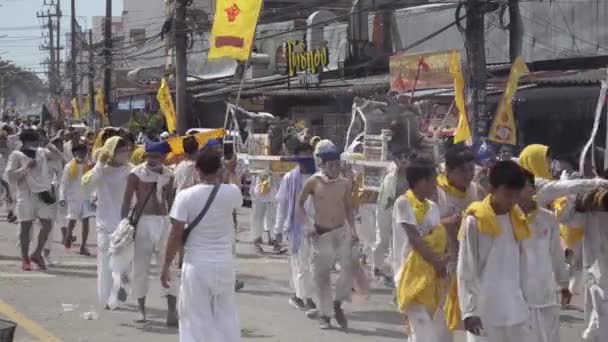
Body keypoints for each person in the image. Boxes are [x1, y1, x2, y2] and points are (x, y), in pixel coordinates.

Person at [161, 147, 243, 342]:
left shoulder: (186, 196)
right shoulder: (232, 192)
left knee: (194, 320)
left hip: (197, 266)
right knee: (226, 317)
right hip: (224, 264)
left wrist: (165, 266)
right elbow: (235, 194)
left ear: (197, 169)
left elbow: (176, 234)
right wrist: (228, 172)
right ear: (219, 169)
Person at [457, 160, 534, 342]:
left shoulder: (517, 218)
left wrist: (526, 300)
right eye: (507, 194)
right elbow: (466, 268)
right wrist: (469, 311)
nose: (512, 201)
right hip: (484, 311)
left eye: (516, 195)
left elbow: (522, 265)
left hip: (515, 309)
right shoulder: (475, 221)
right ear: (492, 189)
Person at [297, 139, 357, 329]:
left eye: (337, 164)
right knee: (321, 276)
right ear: (322, 165)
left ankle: (337, 303)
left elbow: (348, 207)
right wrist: (307, 225)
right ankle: (325, 315)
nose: (335, 168)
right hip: (321, 233)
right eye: (331, 165)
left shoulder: (345, 183)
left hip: (341, 231)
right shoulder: (313, 181)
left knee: (348, 270)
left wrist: (354, 230)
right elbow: (299, 205)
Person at [394, 157, 451, 342]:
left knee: (423, 329)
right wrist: (438, 262)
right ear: (420, 181)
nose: (436, 184)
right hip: (409, 273)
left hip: (431, 276)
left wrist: (443, 261)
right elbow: (415, 239)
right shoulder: (403, 203)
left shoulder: (433, 208)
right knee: (423, 331)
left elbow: (436, 238)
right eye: (433, 179)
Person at [121, 140, 178, 325]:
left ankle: (171, 311)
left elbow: (171, 202)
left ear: (163, 157)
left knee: (168, 265)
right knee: (140, 267)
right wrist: (123, 224)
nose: (152, 160)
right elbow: (126, 200)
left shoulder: (169, 174)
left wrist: (176, 226)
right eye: (150, 156)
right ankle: (141, 310)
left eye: (156, 156)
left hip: (163, 222)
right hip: (143, 222)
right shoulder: (136, 174)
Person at [518, 168, 570, 342]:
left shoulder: (547, 218)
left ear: (532, 189)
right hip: (517, 297)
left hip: (544, 294)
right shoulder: (505, 219)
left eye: (521, 186)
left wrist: (563, 284)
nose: (517, 191)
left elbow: (557, 253)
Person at [82, 136, 132, 309]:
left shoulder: (130, 170)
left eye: (126, 149)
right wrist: (99, 165)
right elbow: (86, 185)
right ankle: (106, 298)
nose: (125, 153)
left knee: (122, 262)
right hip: (104, 223)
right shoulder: (100, 171)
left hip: (125, 224)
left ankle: (118, 291)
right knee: (104, 262)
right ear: (111, 152)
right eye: (120, 150)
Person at [6, 129, 60, 271]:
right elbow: (10, 176)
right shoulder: (16, 155)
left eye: (38, 140)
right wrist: (25, 168)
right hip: (25, 194)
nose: (37, 143)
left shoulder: (41, 152)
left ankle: (36, 253)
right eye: (35, 140)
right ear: (26, 141)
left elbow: (58, 157)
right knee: (25, 226)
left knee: (47, 224)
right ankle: (25, 259)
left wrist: (48, 143)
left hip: (42, 193)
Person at [275, 142, 317, 314]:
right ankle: (303, 297)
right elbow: (282, 205)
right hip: (295, 228)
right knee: (299, 265)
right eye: (304, 156)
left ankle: (304, 295)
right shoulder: (289, 179)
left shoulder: (319, 177)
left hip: (316, 227)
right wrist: (277, 229)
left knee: (312, 265)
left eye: (310, 155)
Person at [374, 149, 408, 284]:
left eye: (406, 158)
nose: (404, 161)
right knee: (382, 239)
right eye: (401, 158)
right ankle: (377, 265)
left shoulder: (410, 177)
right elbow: (385, 200)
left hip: (400, 212)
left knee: (398, 243)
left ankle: (395, 273)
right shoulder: (390, 177)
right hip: (385, 210)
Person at [59, 143, 94, 256]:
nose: (82, 154)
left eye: (84, 152)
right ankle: (68, 237)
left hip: (86, 197)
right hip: (73, 197)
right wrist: (61, 197)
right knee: (72, 221)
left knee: (86, 221)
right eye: (79, 152)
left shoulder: (89, 165)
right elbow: (63, 183)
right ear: (74, 153)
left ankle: (83, 246)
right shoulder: (69, 166)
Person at [250, 169, 280, 252]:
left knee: (273, 219)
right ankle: (256, 241)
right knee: (257, 219)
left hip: (272, 196)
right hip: (259, 196)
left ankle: (274, 241)